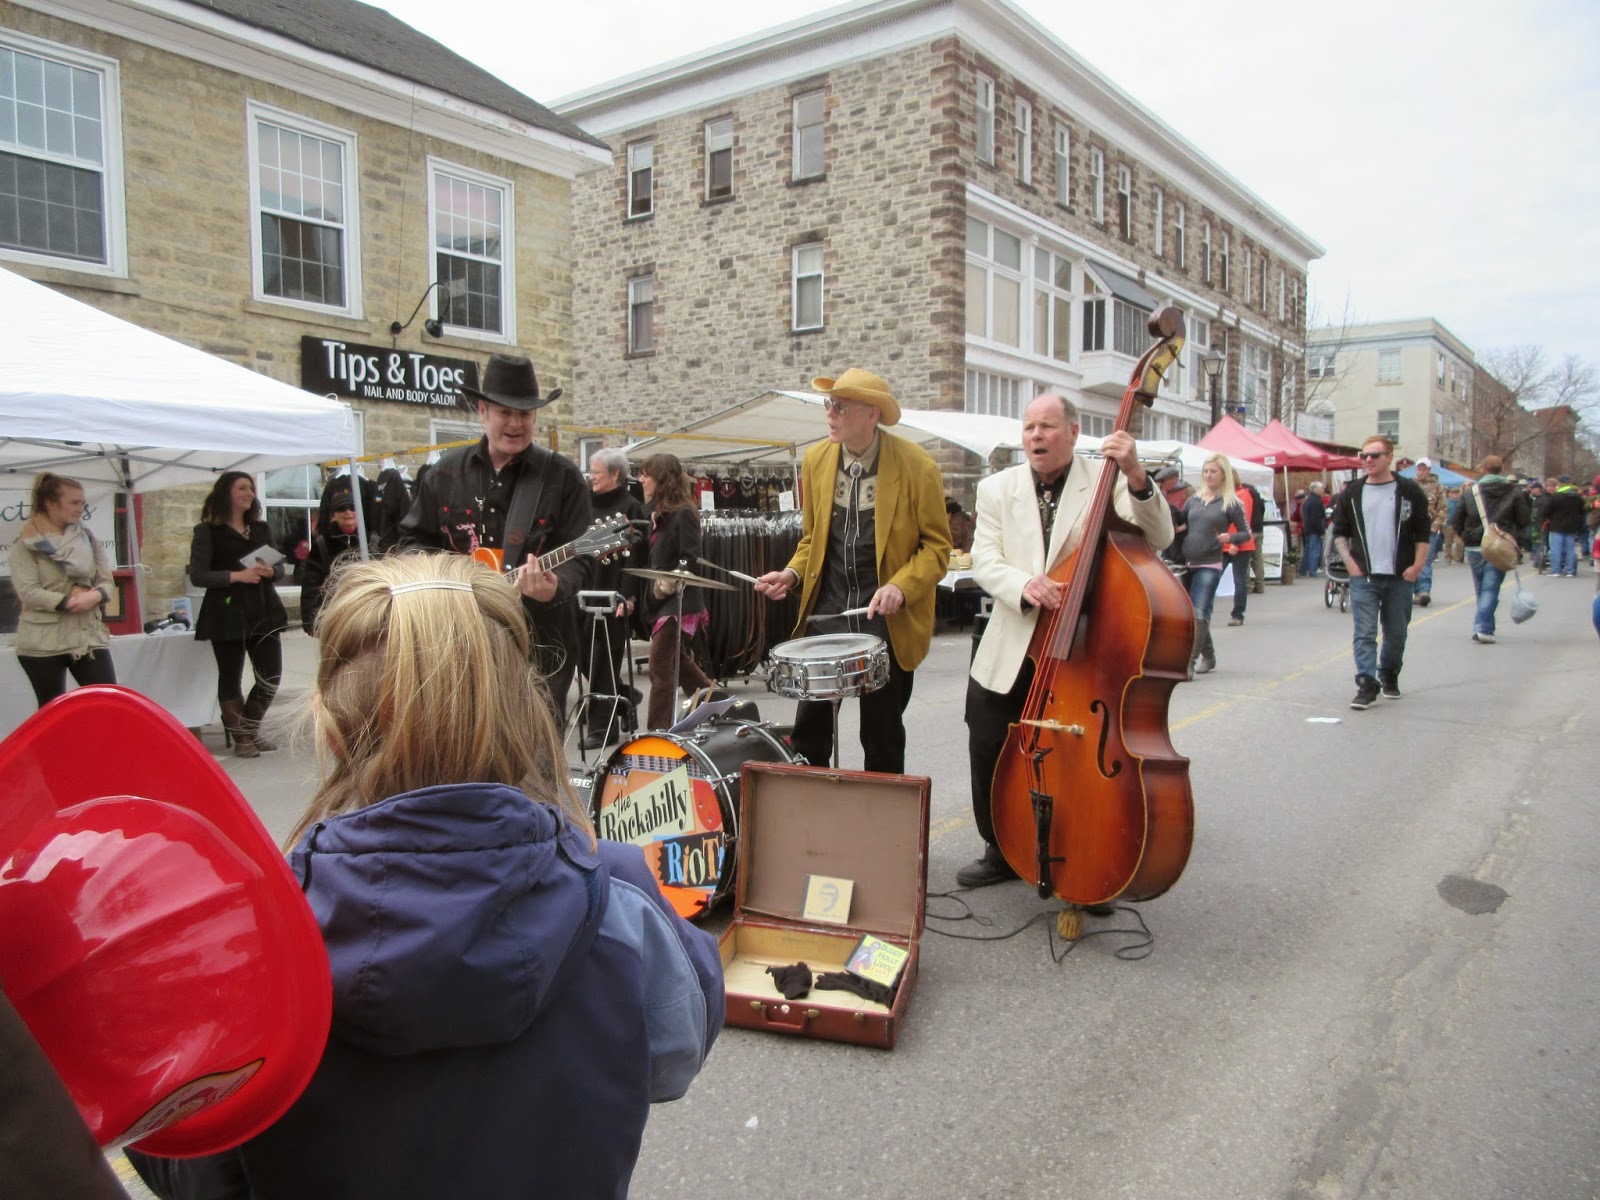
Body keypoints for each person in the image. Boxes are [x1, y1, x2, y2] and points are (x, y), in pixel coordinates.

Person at [128, 553, 722, 1200]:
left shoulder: (251, 933)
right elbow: (673, 1057)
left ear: (331, 728)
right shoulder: (621, 896)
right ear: (526, 713)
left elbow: (193, 1161)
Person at [956, 393, 1173, 888]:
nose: (1036, 436)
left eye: (1048, 426)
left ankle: (1085, 851)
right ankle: (999, 846)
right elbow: (985, 559)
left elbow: (1158, 537)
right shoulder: (996, 488)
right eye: (1029, 426)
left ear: (1074, 433)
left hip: (1082, 644)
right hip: (1013, 639)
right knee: (989, 741)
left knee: (1070, 753)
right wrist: (1023, 585)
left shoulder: (1106, 478)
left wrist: (1137, 475)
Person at [753, 369, 950, 773]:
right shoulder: (816, 460)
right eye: (829, 404)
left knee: (882, 736)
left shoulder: (918, 467)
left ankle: (881, 826)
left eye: (840, 406)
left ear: (871, 414)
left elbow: (937, 548)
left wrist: (901, 585)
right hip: (827, 614)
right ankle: (812, 817)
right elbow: (812, 541)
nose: (830, 413)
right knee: (809, 733)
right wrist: (790, 574)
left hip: (885, 620)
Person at [397, 353, 593, 717]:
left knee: (535, 754)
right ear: (483, 411)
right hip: (460, 636)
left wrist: (554, 586)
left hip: (541, 640)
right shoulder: (444, 473)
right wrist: (446, 580)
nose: (516, 423)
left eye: (525, 414)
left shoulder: (562, 477)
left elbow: (581, 555)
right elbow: (411, 542)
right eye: (506, 412)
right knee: (463, 741)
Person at [189, 471, 287, 757]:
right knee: (230, 675)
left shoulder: (260, 529)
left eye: (251, 488)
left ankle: (250, 728)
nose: (249, 493)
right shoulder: (207, 531)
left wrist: (271, 571)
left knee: (271, 674)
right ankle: (242, 736)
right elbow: (198, 575)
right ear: (226, 493)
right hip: (226, 611)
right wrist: (237, 576)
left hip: (264, 609)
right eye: (242, 488)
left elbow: (280, 568)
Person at [1331, 436, 1432, 709]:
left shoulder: (1409, 490)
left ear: (1389, 457)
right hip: (1364, 575)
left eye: (1374, 455)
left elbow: (1424, 531)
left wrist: (1418, 565)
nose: (1368, 460)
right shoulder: (1352, 493)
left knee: (1396, 632)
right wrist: (1351, 564)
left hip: (1400, 575)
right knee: (1364, 632)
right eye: (1364, 456)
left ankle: (1388, 673)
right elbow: (1339, 532)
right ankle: (1366, 682)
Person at [9, 472, 117, 708]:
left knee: (108, 702)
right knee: (53, 711)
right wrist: (69, 601)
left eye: (83, 503)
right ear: (50, 503)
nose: (80, 509)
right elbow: (28, 591)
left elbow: (106, 580)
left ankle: (103, 746)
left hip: (87, 636)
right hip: (43, 640)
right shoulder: (26, 545)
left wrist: (95, 595)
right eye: (74, 502)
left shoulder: (87, 537)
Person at [637, 454, 717, 731]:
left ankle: (657, 733)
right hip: (661, 603)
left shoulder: (684, 512)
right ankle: (717, 702)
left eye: (646, 474)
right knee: (678, 663)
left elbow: (690, 557)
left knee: (660, 667)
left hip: (680, 602)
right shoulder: (659, 513)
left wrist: (666, 584)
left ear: (661, 477)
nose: (641, 479)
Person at [580, 447, 647, 749]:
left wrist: (628, 595)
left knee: (606, 658)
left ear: (615, 474)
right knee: (581, 654)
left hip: (614, 591)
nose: (590, 476)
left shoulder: (632, 507)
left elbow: (638, 557)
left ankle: (602, 729)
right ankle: (626, 697)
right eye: (591, 471)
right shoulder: (581, 504)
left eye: (595, 471)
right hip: (581, 589)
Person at [1179, 454, 1250, 676]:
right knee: (1190, 613)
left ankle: (1189, 662)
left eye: (1213, 471)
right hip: (1187, 561)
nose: (1208, 475)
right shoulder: (1193, 500)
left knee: (1200, 612)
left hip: (1210, 563)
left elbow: (1245, 533)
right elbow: (1181, 524)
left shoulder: (1231, 502)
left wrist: (1231, 538)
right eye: (1206, 471)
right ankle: (1209, 655)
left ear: (1223, 475)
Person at [1450, 454, 1532, 646]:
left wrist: (1467, 535)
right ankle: (1484, 627)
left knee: (1482, 587)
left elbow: (1457, 519)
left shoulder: (1471, 492)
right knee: (1491, 587)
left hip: (1475, 544)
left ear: (1483, 470)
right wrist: (1514, 539)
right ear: (1500, 470)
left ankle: (1484, 627)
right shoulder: (1514, 492)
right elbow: (1524, 520)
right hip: (1502, 545)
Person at [298, 492, 363, 634]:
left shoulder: (371, 541)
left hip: (366, 614)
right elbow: (311, 585)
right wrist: (312, 621)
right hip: (335, 615)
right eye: (342, 509)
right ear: (333, 516)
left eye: (353, 508)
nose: (348, 512)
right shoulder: (323, 544)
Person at [1411, 458, 1447, 606]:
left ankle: (1424, 590)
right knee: (1409, 560)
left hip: (1428, 529)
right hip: (1411, 529)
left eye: (1424, 468)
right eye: (1419, 468)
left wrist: (1436, 526)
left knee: (1424, 560)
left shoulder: (1437, 487)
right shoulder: (1410, 485)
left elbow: (1443, 509)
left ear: (1429, 470)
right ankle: (1413, 591)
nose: (1421, 471)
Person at [1225, 477, 1260, 624]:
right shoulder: (1223, 494)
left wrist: (1236, 542)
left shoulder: (1243, 494)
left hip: (1240, 543)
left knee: (1239, 580)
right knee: (1213, 578)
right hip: (1224, 543)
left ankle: (1238, 614)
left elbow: (1243, 521)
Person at [1540, 474, 1586, 578]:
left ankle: (1556, 570)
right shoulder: (1577, 497)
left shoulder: (1556, 497)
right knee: (1570, 549)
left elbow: (1546, 511)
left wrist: (1548, 518)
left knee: (1556, 549)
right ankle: (1570, 571)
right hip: (1572, 527)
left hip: (1556, 526)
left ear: (1559, 484)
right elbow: (1582, 511)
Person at [1299, 482, 1327, 578]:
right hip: (1314, 530)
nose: (1323, 490)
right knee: (1314, 551)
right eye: (1322, 488)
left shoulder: (1308, 500)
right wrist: (1321, 531)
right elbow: (1316, 518)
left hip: (1308, 529)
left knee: (1308, 550)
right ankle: (1313, 570)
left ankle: (1303, 570)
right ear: (1316, 489)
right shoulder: (1316, 501)